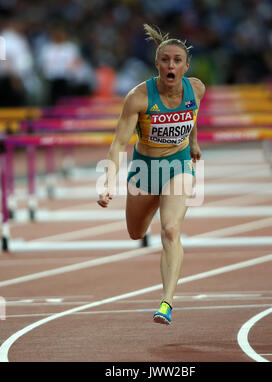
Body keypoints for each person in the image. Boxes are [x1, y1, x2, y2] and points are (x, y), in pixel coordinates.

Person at [97, 24, 205, 325]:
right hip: (145, 169)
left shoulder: (196, 88)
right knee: (136, 232)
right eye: (165, 60)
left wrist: (193, 143)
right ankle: (155, 199)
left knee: (170, 230)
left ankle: (166, 303)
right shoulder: (138, 97)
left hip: (179, 166)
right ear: (157, 64)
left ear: (186, 65)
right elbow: (119, 142)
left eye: (177, 60)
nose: (171, 65)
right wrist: (107, 183)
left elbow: (192, 113)